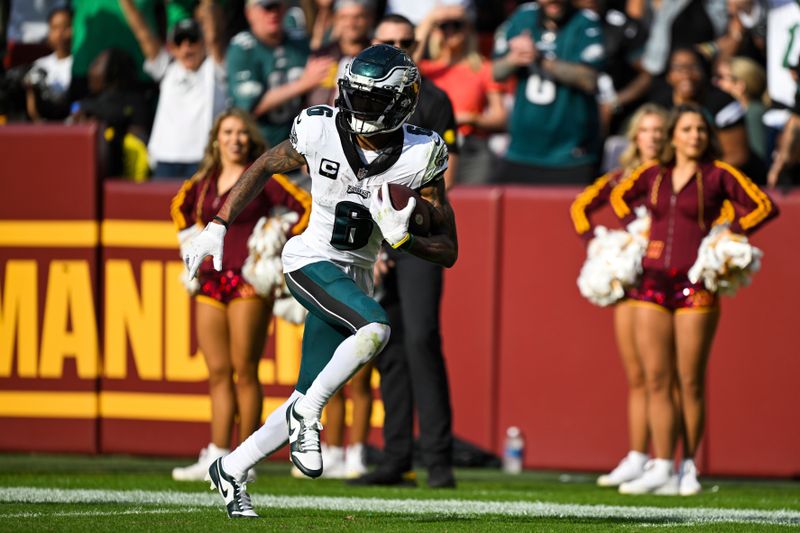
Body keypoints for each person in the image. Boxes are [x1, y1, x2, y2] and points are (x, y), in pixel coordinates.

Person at [183, 44, 458, 518]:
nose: (356, 108)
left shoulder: (422, 153)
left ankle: (232, 468)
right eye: (353, 94)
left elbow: (448, 250)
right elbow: (267, 162)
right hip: (308, 259)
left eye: (370, 100)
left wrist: (404, 236)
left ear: (398, 104)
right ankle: (308, 417)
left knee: (304, 390)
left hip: (353, 273)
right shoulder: (319, 126)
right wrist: (219, 223)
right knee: (376, 329)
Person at [609, 102, 778, 495]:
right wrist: (639, 229)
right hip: (651, 283)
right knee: (656, 378)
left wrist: (729, 231)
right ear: (673, 136)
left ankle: (688, 465)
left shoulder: (719, 175)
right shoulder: (652, 175)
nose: (695, 136)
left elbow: (764, 206)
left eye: (701, 130)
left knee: (690, 380)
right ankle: (662, 464)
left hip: (695, 286)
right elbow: (619, 199)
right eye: (686, 129)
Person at [347, 13, 460, 490]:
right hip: (364, 234)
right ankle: (396, 456)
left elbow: (441, 181)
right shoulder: (352, 94)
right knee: (384, 345)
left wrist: (403, 226)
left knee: (420, 339)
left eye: (406, 40)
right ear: (374, 42)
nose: (399, 46)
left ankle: (437, 459)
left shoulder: (432, 100)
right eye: (389, 40)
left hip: (411, 233)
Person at [170, 107, 311, 481]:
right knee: (217, 372)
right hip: (211, 282)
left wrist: (277, 239)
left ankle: (244, 459)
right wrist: (189, 237)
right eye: (228, 132)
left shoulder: (264, 177)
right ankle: (216, 453)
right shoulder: (203, 180)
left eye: (242, 133)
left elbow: (307, 206)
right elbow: (178, 207)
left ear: (251, 139)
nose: (236, 139)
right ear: (217, 138)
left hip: (249, 281)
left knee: (245, 371)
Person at [570, 103, 668, 487]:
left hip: (668, 281)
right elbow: (581, 208)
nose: (654, 137)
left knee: (665, 376)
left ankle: (668, 459)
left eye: (660, 130)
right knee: (638, 375)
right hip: (633, 282)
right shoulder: (620, 178)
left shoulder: (676, 178)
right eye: (646, 130)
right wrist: (599, 246)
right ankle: (638, 455)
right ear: (635, 136)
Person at [492, 0, 605, 184]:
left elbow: (589, 79)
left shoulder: (585, 21)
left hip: (570, 154)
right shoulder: (523, 16)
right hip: (521, 151)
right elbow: (496, 72)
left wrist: (540, 59)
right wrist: (514, 58)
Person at [119, 0, 228, 180]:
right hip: (164, 161)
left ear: (203, 43)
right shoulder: (167, 68)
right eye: (179, 41)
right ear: (173, 48)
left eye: (193, 39)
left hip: (203, 160)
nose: (187, 47)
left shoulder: (215, 68)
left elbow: (214, 32)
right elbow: (142, 33)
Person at [415, 4, 508, 185]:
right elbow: (405, 63)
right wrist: (429, 20)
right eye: (444, 26)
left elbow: (500, 118)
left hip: (471, 148)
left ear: (467, 29)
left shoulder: (482, 68)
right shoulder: (426, 69)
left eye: (457, 25)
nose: (450, 31)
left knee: (474, 205)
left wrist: (470, 118)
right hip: (430, 146)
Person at [227, 0, 334, 148]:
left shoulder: (299, 41)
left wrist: (325, 10)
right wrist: (303, 84)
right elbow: (250, 107)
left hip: (298, 144)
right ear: (249, 13)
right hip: (258, 147)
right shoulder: (242, 48)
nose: (273, 13)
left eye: (277, 7)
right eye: (266, 8)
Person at [24, 6, 73, 122]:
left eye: (65, 27)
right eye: (55, 28)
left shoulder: (79, 64)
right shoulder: (39, 65)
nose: (60, 33)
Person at [715, 55, 768, 163]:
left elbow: (758, 155)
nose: (718, 83)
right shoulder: (735, 112)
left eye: (723, 78)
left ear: (740, 85)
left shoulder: (754, 113)